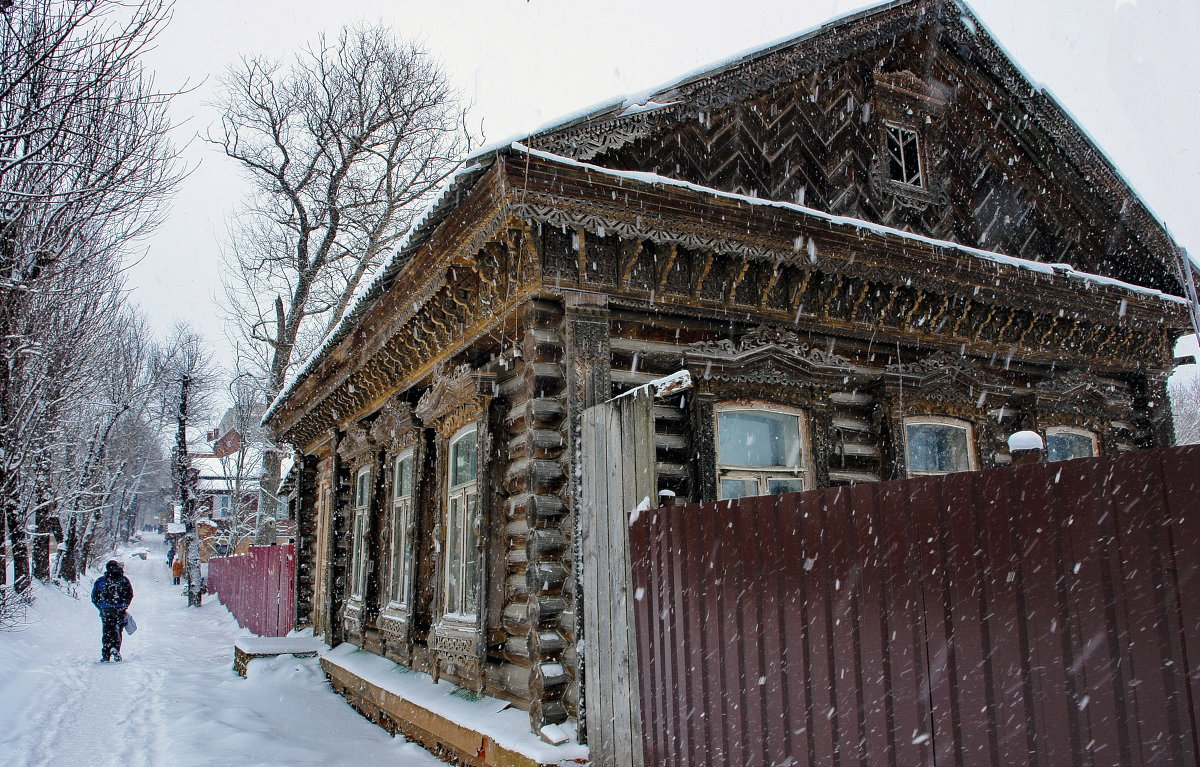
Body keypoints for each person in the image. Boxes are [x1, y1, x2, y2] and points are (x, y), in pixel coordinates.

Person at [91, 560, 134, 662]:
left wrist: (101, 607)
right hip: (119, 610)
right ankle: (116, 648)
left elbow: (94, 597)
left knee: (106, 631)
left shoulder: (101, 581)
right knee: (118, 630)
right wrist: (124, 606)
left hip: (106, 610)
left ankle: (106, 653)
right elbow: (130, 594)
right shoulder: (123, 580)